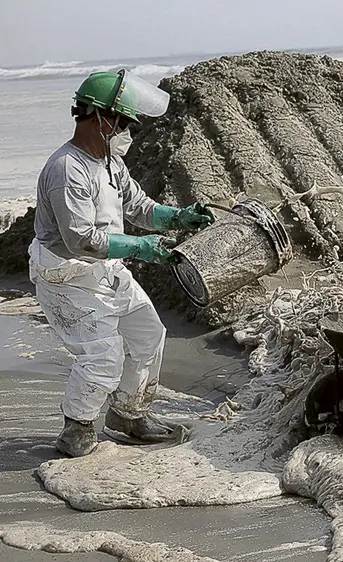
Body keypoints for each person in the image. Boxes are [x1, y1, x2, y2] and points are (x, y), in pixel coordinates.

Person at [31, 69, 216, 457]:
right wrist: (140, 248)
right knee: (103, 353)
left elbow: (138, 206)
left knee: (148, 333)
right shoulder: (68, 170)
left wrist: (177, 217)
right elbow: (80, 239)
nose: (129, 131)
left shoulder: (111, 163)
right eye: (125, 123)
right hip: (67, 276)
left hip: (105, 269)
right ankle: (77, 427)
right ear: (100, 118)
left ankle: (129, 414)